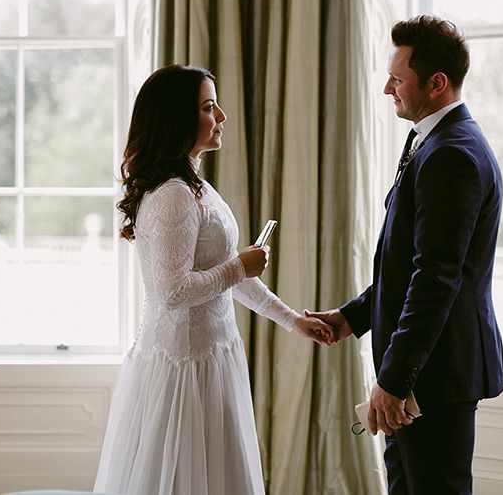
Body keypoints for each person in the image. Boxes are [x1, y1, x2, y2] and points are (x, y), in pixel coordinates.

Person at [94, 65, 332, 495]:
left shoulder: (196, 185)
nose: (221, 115)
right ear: (177, 118)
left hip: (214, 356)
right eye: (208, 107)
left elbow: (226, 278)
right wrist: (239, 266)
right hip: (187, 371)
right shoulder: (173, 194)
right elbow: (173, 292)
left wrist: (292, 320)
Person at [307, 15, 503, 495]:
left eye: (397, 78)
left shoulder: (451, 154)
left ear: (436, 84)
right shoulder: (433, 141)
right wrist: (352, 316)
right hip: (426, 367)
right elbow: (408, 265)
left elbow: (436, 279)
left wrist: (393, 381)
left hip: (433, 375)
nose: (386, 88)